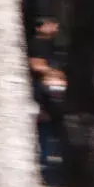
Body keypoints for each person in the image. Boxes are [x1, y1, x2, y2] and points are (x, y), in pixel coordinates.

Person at [28, 16, 66, 172]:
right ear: (39, 28)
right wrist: (57, 73)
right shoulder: (38, 43)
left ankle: (44, 157)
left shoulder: (50, 45)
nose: (55, 27)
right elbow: (36, 65)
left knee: (48, 124)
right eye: (50, 24)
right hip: (40, 91)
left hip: (49, 91)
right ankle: (41, 158)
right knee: (42, 122)